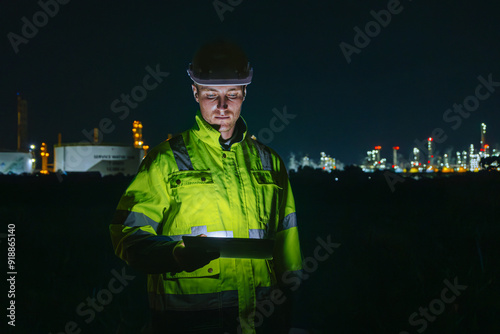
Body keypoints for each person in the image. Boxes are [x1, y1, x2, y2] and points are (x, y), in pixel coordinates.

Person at [110, 40, 302, 334]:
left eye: (232, 95)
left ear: (244, 94)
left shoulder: (270, 162)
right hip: (189, 324)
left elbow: (288, 252)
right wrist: (174, 255)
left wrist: (288, 313)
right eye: (212, 95)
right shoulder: (165, 160)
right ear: (195, 92)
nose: (223, 106)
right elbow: (128, 236)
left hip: (262, 322)